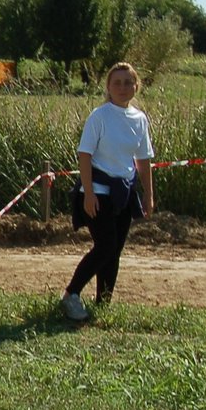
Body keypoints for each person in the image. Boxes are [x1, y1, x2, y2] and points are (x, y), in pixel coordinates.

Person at [61, 62, 155, 321]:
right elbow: (85, 154)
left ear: (136, 86)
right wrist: (88, 193)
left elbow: (143, 159)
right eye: (117, 82)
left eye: (128, 82)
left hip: (123, 194)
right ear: (108, 87)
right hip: (97, 193)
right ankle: (71, 294)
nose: (123, 87)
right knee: (105, 245)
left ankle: (103, 303)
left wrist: (148, 194)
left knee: (115, 251)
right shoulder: (99, 116)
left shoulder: (139, 119)